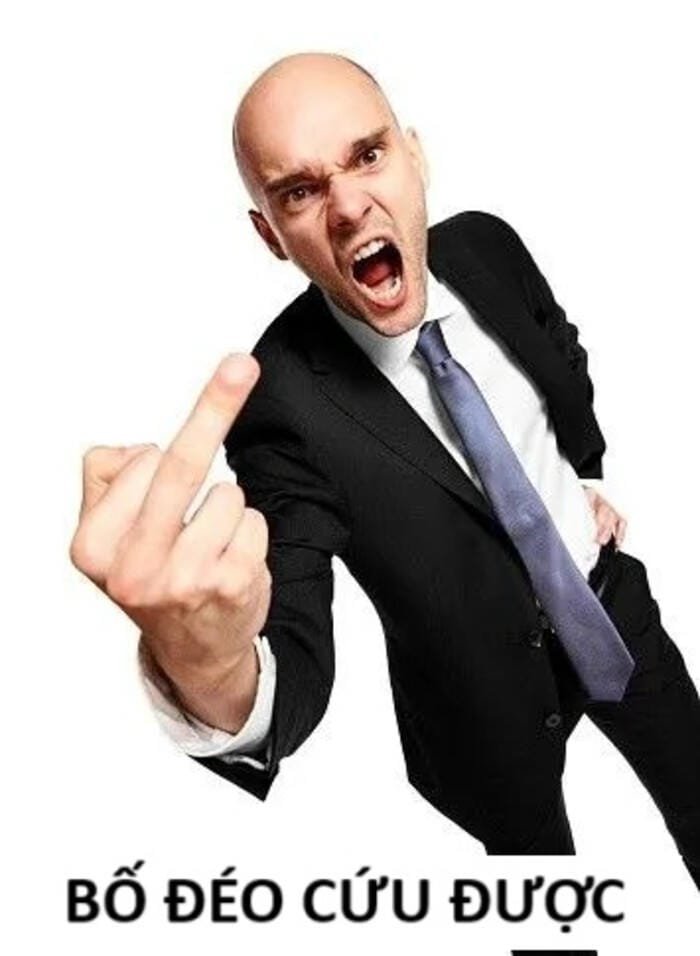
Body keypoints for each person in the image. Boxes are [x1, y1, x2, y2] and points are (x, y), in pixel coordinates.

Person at [70, 52, 700, 886]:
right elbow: (291, 628)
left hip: (607, 604)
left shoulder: (488, 247)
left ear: (414, 156)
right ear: (270, 233)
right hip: (483, 707)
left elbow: (559, 351)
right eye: (300, 191)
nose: (347, 206)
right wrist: (209, 668)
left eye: (368, 155)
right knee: (546, 914)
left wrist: (584, 476)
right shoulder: (281, 401)